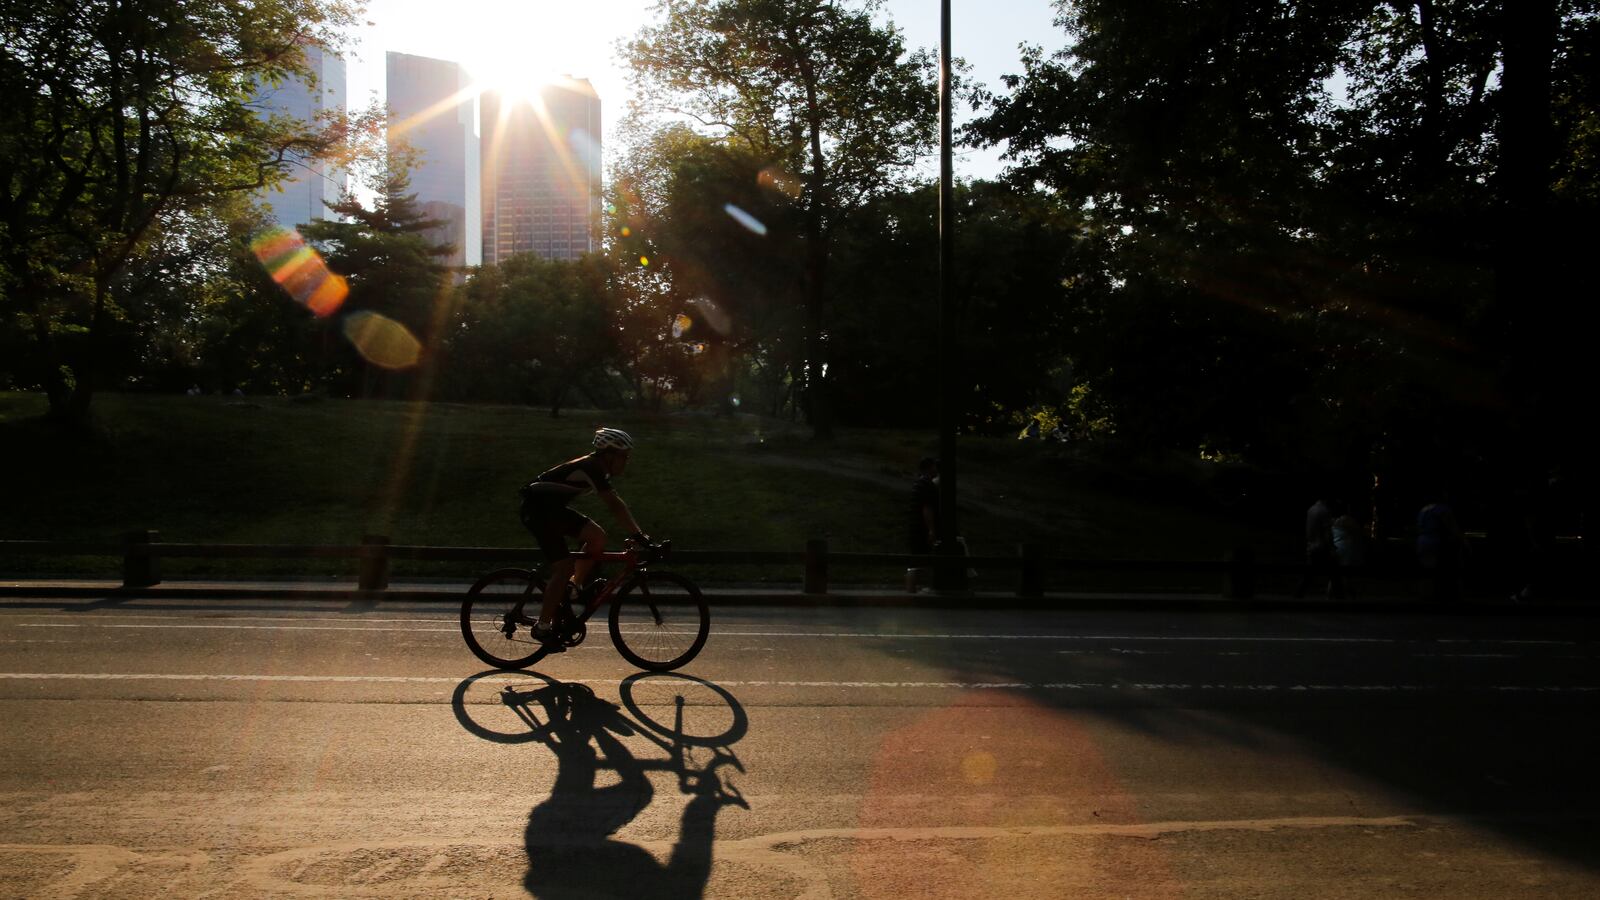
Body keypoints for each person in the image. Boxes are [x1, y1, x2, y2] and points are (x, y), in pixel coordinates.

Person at [519, 427, 648, 649]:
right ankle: (542, 627)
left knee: (597, 537)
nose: (626, 462)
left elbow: (613, 504)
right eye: (624, 457)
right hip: (538, 512)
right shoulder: (591, 467)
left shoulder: (597, 469)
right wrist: (639, 535)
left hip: (553, 511)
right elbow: (614, 505)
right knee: (563, 567)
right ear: (609, 455)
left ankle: (573, 587)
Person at [1416, 487, 1464, 601]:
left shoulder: (1425, 509)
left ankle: (1425, 593)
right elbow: (1451, 527)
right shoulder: (1442, 509)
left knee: (1425, 569)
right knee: (1438, 569)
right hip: (1434, 540)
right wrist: (1461, 540)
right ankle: (1436, 594)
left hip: (1422, 540)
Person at [1294, 494, 1345, 599]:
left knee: (1311, 572)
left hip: (1312, 545)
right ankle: (1339, 596)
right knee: (1334, 571)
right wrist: (1331, 547)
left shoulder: (1311, 509)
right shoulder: (1324, 511)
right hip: (1321, 546)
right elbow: (1327, 532)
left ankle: (1299, 592)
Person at [906, 457, 940, 592]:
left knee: (917, 557)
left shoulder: (919, 483)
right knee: (921, 557)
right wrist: (931, 529)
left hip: (915, 525)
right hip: (921, 527)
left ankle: (911, 588)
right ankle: (912, 588)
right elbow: (927, 508)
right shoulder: (926, 484)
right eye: (935, 466)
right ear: (929, 467)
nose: (936, 469)